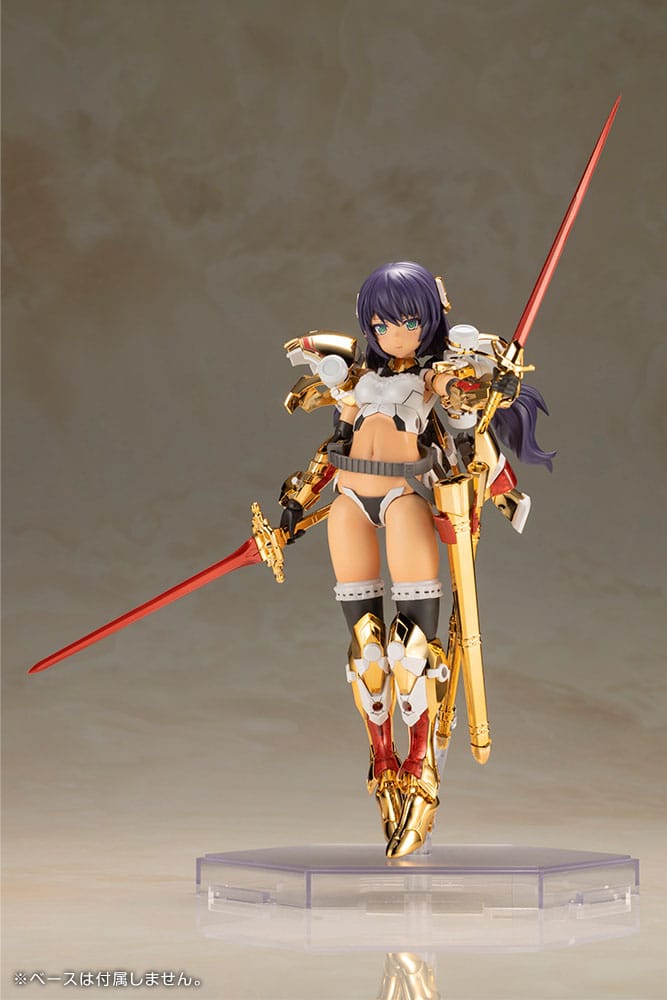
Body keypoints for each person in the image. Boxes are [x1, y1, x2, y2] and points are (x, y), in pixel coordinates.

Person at [279, 261, 553, 858]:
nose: (393, 334)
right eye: (381, 323)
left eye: (406, 322)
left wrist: (491, 384)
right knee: (368, 654)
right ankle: (383, 764)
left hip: (404, 497)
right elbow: (335, 444)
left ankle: (421, 765)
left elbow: (464, 396)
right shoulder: (354, 378)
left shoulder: (433, 376)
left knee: (411, 655)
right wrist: (298, 499)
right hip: (348, 500)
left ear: (429, 321)